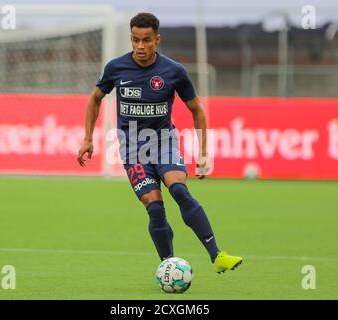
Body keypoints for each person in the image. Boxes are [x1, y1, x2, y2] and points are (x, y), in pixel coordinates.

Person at [78, 12, 242, 273]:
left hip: (164, 142)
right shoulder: (116, 68)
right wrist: (88, 138)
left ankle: (217, 255)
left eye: (146, 40)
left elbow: (197, 110)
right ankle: (168, 266)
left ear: (157, 40)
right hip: (133, 149)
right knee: (155, 208)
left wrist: (203, 153)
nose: (140, 46)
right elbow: (95, 98)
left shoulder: (174, 71)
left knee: (179, 190)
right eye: (135, 40)